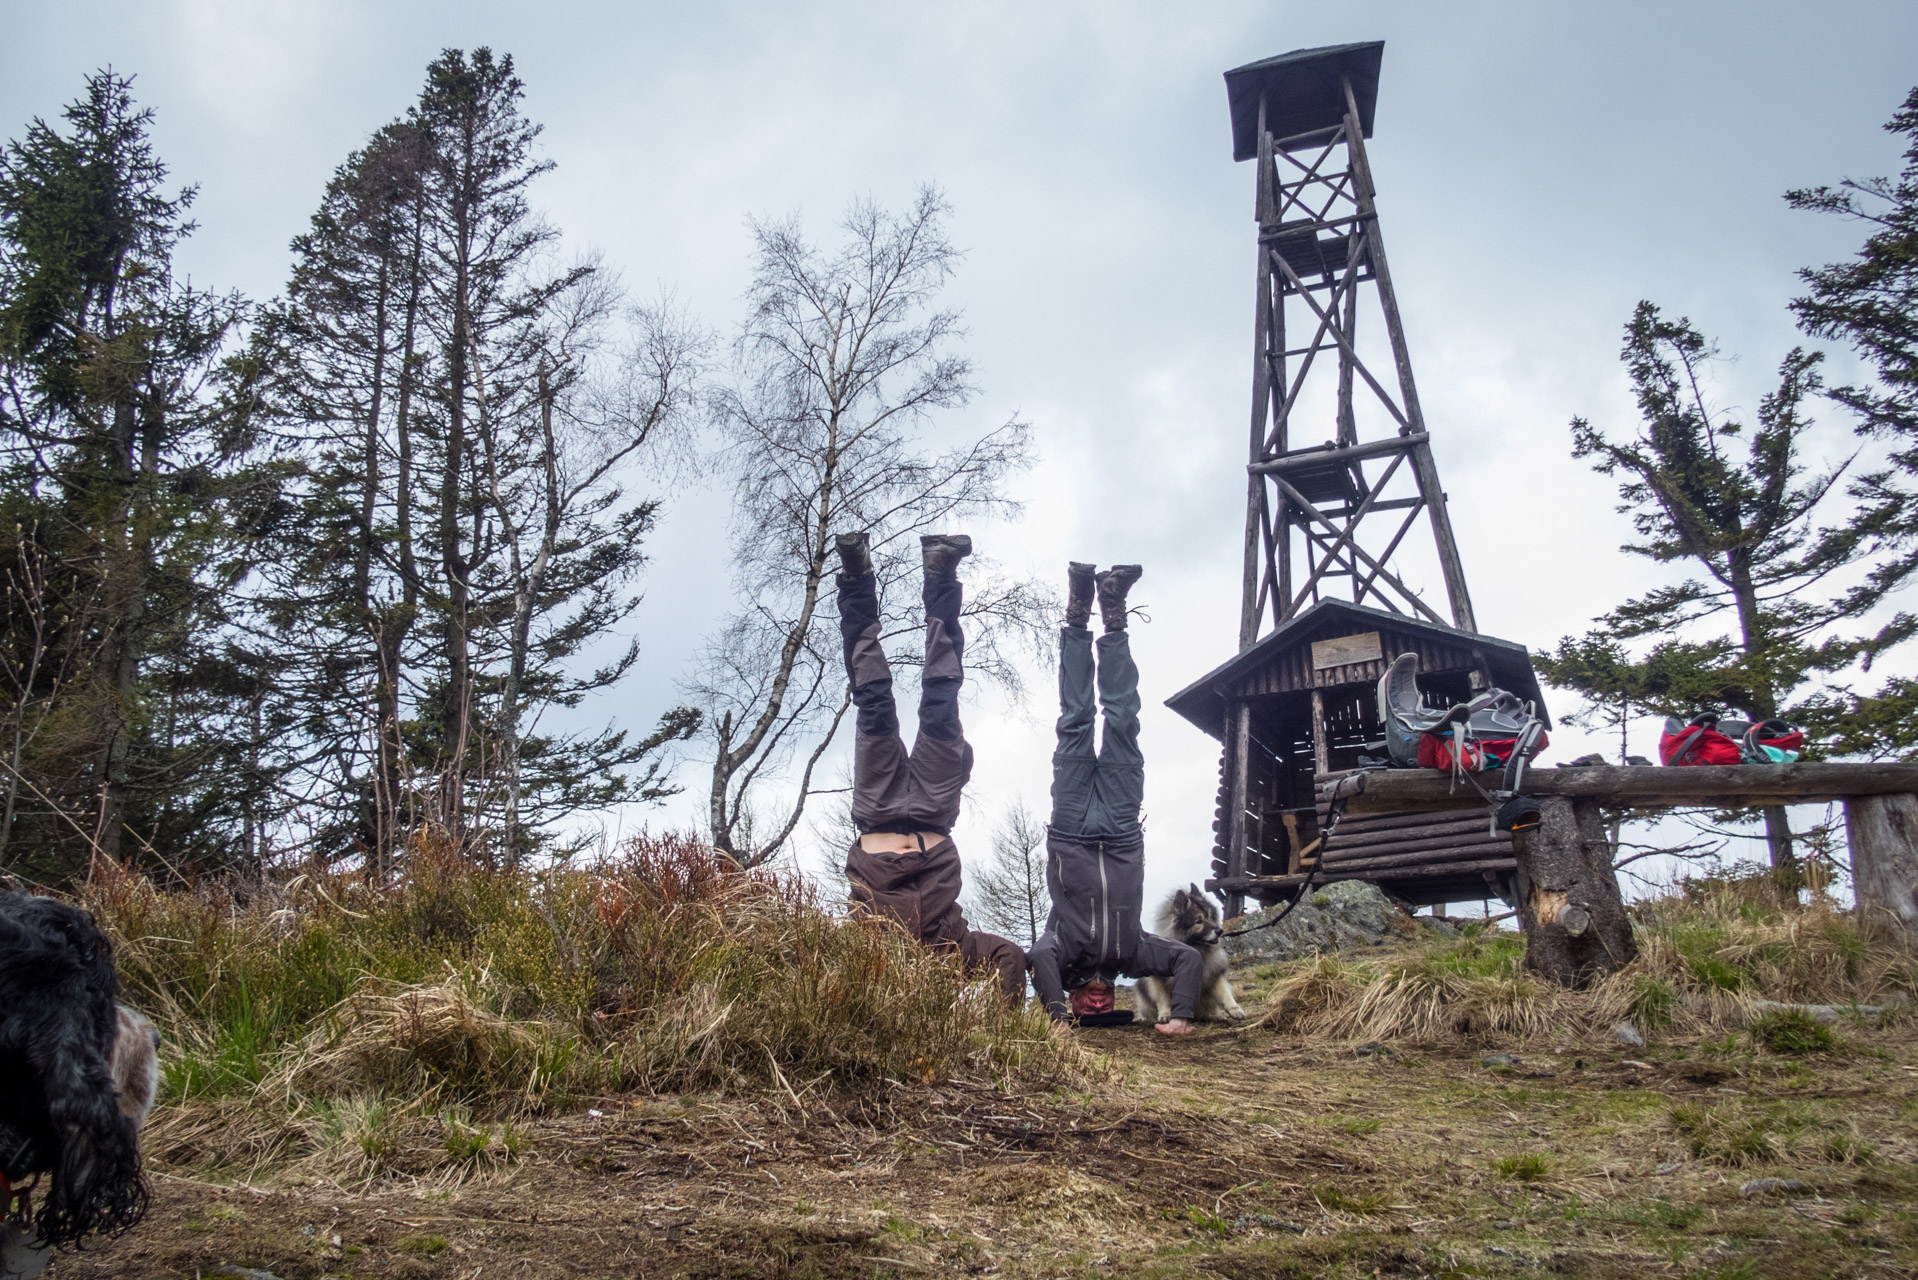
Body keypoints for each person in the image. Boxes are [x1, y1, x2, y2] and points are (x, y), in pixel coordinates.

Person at [835, 531, 1026, 1006]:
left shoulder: (866, 958)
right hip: (935, 807)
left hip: (877, 809)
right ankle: (939, 571)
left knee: (873, 703)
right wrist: (1000, 1032)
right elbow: (1010, 955)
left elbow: (819, 961)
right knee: (942, 698)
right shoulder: (958, 954)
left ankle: (857, 579)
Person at [1028, 563, 1202, 1035]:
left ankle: (1077, 615)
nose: (1101, 1004)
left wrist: (1057, 1020)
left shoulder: (1058, 950)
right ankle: (1114, 609)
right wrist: (1182, 1014)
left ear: (1073, 1000)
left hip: (1071, 824)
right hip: (1124, 828)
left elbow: (1038, 956)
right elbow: (1185, 958)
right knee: (1124, 719)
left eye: (1090, 1010)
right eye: (1107, 1010)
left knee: (1077, 719)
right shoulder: (1133, 955)